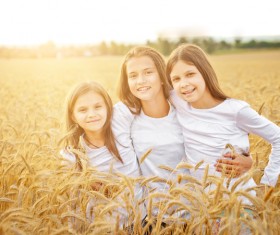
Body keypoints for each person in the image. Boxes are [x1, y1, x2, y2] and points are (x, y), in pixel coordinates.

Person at [166, 43, 280, 192]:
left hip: (239, 203)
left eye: (190, 74)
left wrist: (267, 184)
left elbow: (278, 137)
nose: (184, 84)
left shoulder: (235, 110)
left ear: (205, 72)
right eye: (176, 79)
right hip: (202, 206)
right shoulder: (177, 100)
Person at [60, 81, 144, 230]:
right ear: (73, 116)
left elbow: (149, 98)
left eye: (98, 107)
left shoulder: (120, 126)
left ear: (108, 108)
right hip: (105, 229)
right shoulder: (71, 155)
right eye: (83, 110)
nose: (92, 114)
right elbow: (70, 203)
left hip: (142, 222)